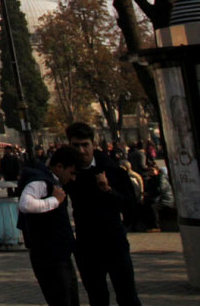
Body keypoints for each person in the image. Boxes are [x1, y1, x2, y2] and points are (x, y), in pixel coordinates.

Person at [65, 122, 141, 306]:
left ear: (93, 144)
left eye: (85, 145)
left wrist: (108, 190)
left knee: (127, 295)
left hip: (114, 241)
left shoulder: (112, 170)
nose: (81, 151)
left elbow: (129, 204)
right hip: (87, 244)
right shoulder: (69, 172)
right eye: (76, 146)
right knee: (97, 297)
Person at [18, 146, 82, 306]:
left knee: (72, 298)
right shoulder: (41, 181)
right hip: (49, 255)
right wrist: (54, 201)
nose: (72, 178)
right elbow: (26, 204)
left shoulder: (51, 180)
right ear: (59, 167)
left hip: (60, 252)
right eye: (71, 172)